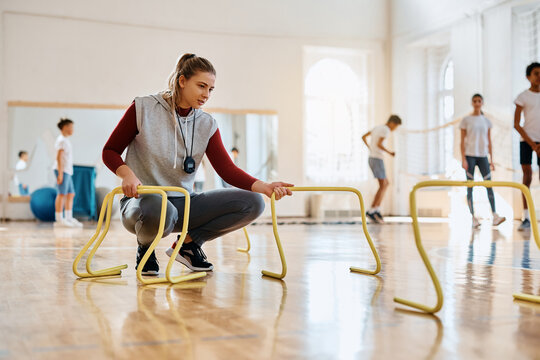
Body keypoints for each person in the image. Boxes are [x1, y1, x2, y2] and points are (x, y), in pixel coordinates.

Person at [102, 53, 293, 275]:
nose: (206, 95)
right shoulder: (143, 108)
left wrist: (265, 187)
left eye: (211, 89)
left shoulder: (206, 123)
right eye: (201, 86)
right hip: (143, 204)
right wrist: (126, 174)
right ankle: (146, 248)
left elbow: (226, 169)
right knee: (160, 206)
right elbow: (110, 151)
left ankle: (189, 246)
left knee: (253, 203)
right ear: (182, 81)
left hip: (183, 203)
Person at [460, 94, 506, 228]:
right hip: (470, 156)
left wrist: (491, 159)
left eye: (479, 101)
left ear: (482, 103)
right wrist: (463, 159)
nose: (476, 103)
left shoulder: (486, 121)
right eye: (474, 101)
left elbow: (489, 141)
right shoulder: (466, 120)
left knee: (489, 185)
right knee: (470, 187)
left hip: (483, 156)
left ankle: (495, 215)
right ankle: (473, 217)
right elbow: (462, 141)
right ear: (472, 103)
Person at [514, 62, 540, 231]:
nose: (539, 76)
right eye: (536, 73)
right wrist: (533, 144)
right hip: (527, 142)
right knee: (527, 177)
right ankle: (526, 216)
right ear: (528, 77)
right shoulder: (522, 97)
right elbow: (516, 124)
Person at [362, 115, 402, 224]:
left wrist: (370, 148)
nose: (395, 129)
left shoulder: (377, 128)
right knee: (383, 184)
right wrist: (390, 153)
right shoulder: (386, 130)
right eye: (396, 126)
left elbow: (363, 137)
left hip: (373, 158)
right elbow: (379, 144)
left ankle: (376, 209)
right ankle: (372, 210)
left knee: (385, 183)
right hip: (377, 158)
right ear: (392, 123)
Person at [53, 118, 83, 228]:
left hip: (68, 171)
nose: (72, 130)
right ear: (65, 127)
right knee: (61, 194)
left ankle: (69, 218)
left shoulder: (66, 140)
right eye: (71, 127)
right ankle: (59, 219)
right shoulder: (61, 140)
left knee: (71, 194)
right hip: (62, 170)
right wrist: (60, 173)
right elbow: (59, 157)